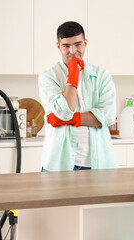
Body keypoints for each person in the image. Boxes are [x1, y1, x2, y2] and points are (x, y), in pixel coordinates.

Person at [38, 21, 117, 171]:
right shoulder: (48, 77)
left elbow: (108, 116)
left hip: (96, 164)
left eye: (78, 44)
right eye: (66, 46)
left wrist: (70, 119)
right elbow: (62, 111)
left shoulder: (102, 76)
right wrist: (72, 76)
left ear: (85, 43)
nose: (72, 51)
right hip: (58, 164)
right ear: (58, 46)